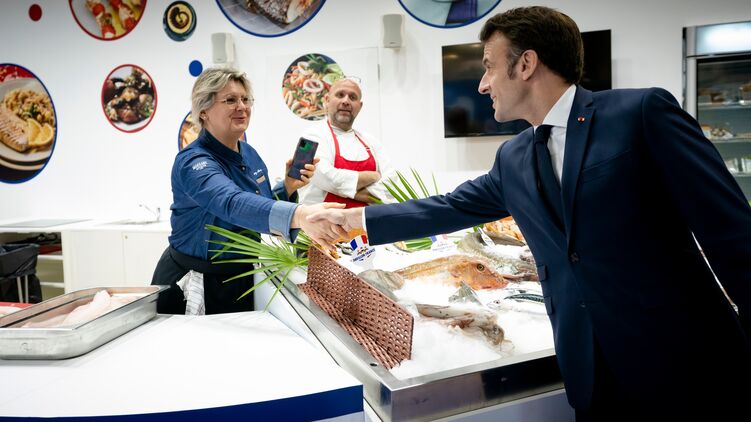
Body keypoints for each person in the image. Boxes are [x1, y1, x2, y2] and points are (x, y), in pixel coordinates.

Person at [308, 6, 751, 420]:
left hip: (687, 362)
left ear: (526, 64)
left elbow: (731, 233)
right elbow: (450, 207)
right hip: (591, 375)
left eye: (488, 66)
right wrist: (356, 221)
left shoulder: (638, 114)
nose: (482, 85)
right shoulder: (514, 157)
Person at [152, 67, 343, 315]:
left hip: (239, 278)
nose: (242, 107)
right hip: (197, 282)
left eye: (245, 99)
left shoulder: (249, 153)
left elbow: (256, 208)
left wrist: (287, 186)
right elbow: (231, 203)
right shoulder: (193, 162)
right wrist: (300, 215)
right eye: (230, 100)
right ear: (203, 111)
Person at [298, 78, 397, 208]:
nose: (346, 101)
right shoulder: (308, 137)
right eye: (340, 95)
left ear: (360, 106)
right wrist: (373, 176)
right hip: (322, 220)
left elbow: (391, 186)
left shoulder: (372, 141)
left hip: (367, 220)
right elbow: (325, 176)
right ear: (327, 100)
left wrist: (341, 188)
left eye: (352, 97)